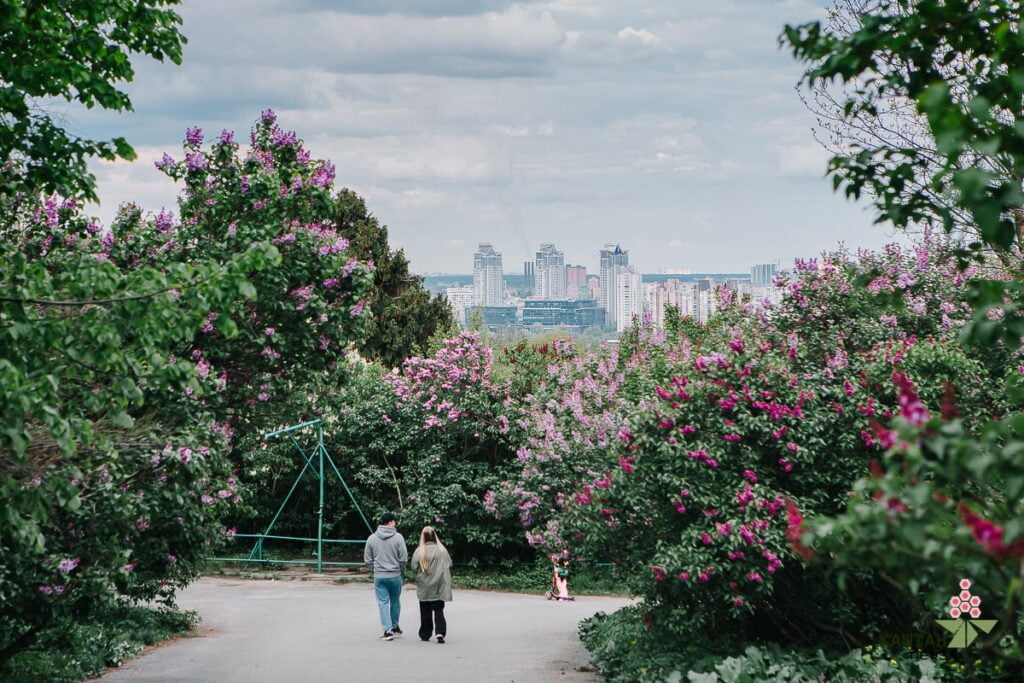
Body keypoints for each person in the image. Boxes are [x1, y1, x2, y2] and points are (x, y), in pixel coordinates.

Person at [364, 512, 407, 641]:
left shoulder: (371, 538)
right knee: (395, 601)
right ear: (389, 522)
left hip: (379, 576)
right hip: (395, 575)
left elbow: (368, 559)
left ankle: (387, 630)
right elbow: (403, 558)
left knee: (383, 602)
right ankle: (395, 626)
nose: (395, 524)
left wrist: (375, 570)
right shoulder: (398, 537)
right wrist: (400, 569)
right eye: (394, 521)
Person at [409, 525, 452, 644]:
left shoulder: (420, 551)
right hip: (438, 585)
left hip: (424, 586)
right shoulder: (442, 550)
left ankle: (425, 633)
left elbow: (413, 567)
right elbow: (449, 563)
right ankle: (440, 633)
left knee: (425, 610)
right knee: (439, 610)